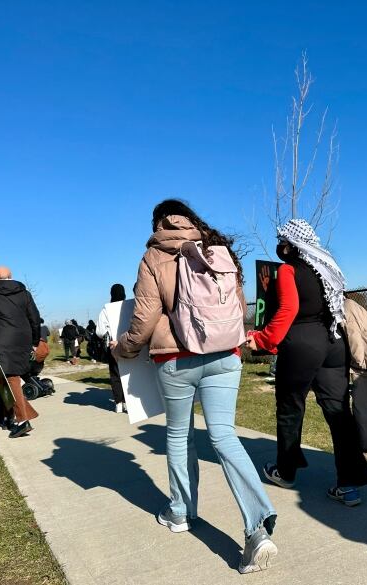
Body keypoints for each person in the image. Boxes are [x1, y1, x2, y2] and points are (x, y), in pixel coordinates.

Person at [110, 199, 278, 574]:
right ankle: (257, 526)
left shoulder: (155, 255)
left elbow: (146, 316)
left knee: (179, 435)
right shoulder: (217, 249)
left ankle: (181, 512)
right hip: (225, 353)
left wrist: (122, 348)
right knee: (224, 436)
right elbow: (237, 304)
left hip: (175, 357)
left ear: (159, 223)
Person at [247, 218, 367, 507]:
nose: (280, 247)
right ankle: (349, 484)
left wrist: (264, 339)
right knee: (339, 412)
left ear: (291, 244)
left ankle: (286, 471)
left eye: (282, 242)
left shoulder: (289, 270)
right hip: (334, 341)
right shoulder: (326, 267)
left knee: (290, 408)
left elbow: (289, 309)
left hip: (302, 344)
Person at [0, 265, 41, 438]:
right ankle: (4, 415)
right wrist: (35, 341)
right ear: (11, 276)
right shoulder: (24, 293)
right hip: (23, 340)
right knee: (2, 380)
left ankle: (22, 420)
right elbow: (35, 318)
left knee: (9, 379)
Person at [97, 284, 127, 413]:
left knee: (115, 375)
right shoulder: (129, 306)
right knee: (129, 373)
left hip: (113, 346)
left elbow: (100, 331)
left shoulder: (106, 309)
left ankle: (118, 403)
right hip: (129, 344)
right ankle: (128, 402)